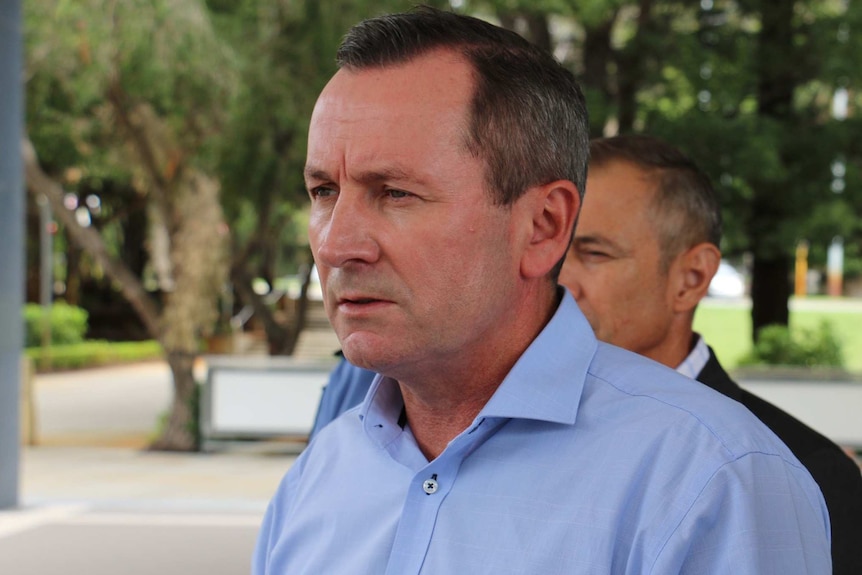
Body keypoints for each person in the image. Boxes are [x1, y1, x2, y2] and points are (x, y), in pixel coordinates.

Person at [253, 7, 831, 574]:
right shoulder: (319, 475)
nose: (335, 244)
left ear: (544, 226)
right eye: (324, 190)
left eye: (396, 193)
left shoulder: (710, 480)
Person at [558, 133, 862, 574]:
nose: (557, 279)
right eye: (550, 246)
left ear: (692, 277)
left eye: (594, 253)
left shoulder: (802, 472)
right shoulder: (485, 431)